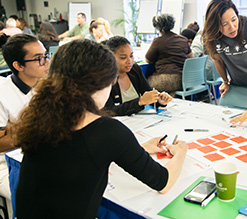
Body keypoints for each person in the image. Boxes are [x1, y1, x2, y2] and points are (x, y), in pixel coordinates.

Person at [12, 39, 187, 218]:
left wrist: (138, 150)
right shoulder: (107, 131)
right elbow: (163, 182)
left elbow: (78, 158)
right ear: (102, 84)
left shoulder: (43, 116)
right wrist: (181, 151)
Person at [0, 34, 49, 216]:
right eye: (38, 59)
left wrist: (16, 131)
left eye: (46, 55)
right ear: (18, 66)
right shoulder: (2, 93)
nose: (46, 62)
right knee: (38, 198)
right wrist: (36, 130)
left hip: (39, 154)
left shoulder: (46, 86)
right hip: (6, 164)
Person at [104, 36, 172, 116]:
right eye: (123, 58)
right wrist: (140, 102)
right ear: (110, 58)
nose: (130, 61)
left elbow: (148, 92)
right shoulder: (104, 78)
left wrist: (159, 100)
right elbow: (109, 111)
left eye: (131, 56)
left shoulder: (134, 70)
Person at [145, 14, 192, 94]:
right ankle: (172, 98)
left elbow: (148, 60)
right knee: (171, 90)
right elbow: (190, 57)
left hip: (165, 80)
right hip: (182, 80)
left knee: (144, 83)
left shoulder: (158, 41)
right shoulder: (183, 39)